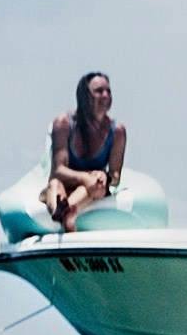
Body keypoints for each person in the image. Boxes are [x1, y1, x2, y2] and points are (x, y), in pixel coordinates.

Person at [43, 70, 126, 228]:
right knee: (54, 184)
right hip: (65, 182)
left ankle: (65, 210)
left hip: (94, 188)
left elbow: (115, 175)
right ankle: (61, 210)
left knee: (95, 186)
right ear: (85, 96)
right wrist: (85, 177)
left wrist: (104, 176)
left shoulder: (117, 131)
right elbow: (58, 170)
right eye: (98, 91)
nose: (106, 95)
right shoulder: (64, 123)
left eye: (108, 91)